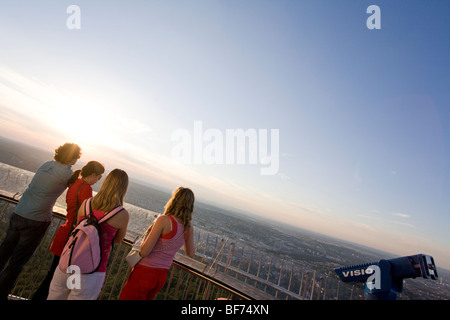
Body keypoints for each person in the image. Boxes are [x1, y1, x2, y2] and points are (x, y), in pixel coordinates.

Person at [0, 142, 81, 300]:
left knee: (3, 253)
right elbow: (74, 188)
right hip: (36, 220)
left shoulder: (46, 165)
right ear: (72, 158)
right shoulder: (66, 174)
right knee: (16, 263)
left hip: (19, 212)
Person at [47, 168, 129, 300]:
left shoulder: (87, 204)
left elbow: (80, 228)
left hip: (68, 262)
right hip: (91, 270)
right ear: (123, 188)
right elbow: (118, 240)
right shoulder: (121, 214)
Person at [32, 161, 105, 300]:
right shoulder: (85, 188)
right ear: (93, 175)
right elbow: (87, 215)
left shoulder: (75, 183)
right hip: (71, 238)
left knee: (53, 278)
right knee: (58, 282)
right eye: (99, 177)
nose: (98, 180)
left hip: (65, 233)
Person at [119, 187, 195, 300]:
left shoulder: (164, 220)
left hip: (145, 271)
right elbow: (191, 253)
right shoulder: (188, 228)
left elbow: (144, 252)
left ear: (174, 200)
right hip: (162, 275)